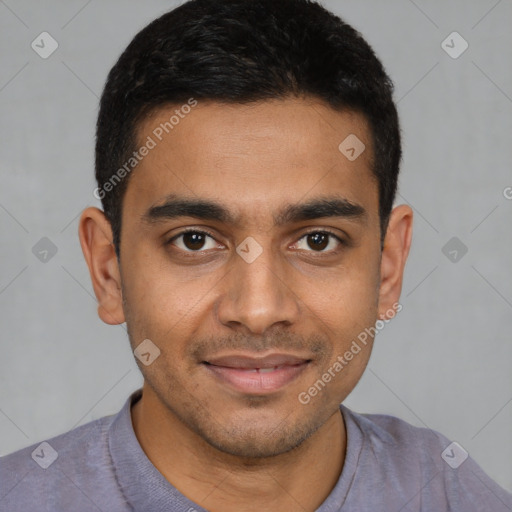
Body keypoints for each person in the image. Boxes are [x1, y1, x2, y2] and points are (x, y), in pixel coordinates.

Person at [1, 0, 511, 510]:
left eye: (317, 240)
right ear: (108, 270)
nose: (259, 309)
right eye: (194, 240)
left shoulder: (453, 494)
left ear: (388, 265)